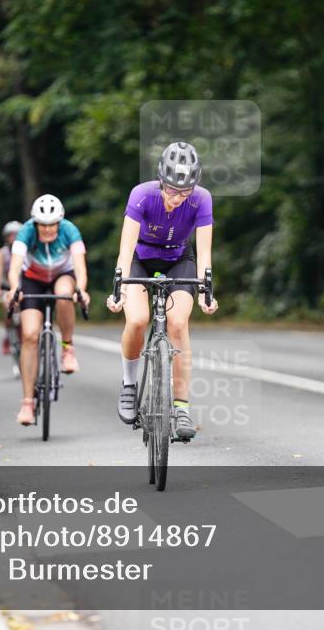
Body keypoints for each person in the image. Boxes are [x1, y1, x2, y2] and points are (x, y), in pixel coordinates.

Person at [106, 141, 218, 440]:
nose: (177, 198)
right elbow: (125, 247)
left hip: (179, 259)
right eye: (171, 189)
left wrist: (208, 289)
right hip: (139, 259)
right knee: (138, 320)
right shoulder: (142, 195)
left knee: (179, 323)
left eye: (185, 191)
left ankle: (181, 406)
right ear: (161, 180)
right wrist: (118, 287)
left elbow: (204, 253)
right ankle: (129, 385)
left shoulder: (202, 199)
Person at [4, 195, 90, 426]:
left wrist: (81, 289)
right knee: (30, 335)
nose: (49, 229)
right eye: (43, 224)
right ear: (35, 223)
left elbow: (80, 266)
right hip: (33, 279)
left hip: (63, 275)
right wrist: (14, 288)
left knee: (64, 294)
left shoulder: (70, 230)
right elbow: (14, 267)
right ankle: (27, 403)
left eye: (53, 224)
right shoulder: (26, 232)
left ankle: (67, 348)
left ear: (59, 222)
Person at [0, 220, 23, 375]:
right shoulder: (1, 254)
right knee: (8, 309)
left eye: (17, 234)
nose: (14, 238)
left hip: (24, 287)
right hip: (7, 287)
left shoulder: (27, 250)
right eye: (11, 235)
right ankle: (8, 334)